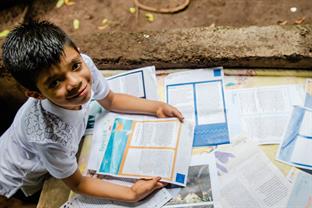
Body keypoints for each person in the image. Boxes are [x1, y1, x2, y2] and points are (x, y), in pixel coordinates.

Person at [0, 19, 184, 206]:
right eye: (55, 82)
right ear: (36, 94)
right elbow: (78, 183)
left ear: (79, 53)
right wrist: (131, 193)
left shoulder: (83, 64)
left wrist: (155, 107)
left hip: (43, 154)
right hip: (17, 175)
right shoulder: (49, 138)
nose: (74, 82)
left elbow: (110, 100)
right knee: (30, 199)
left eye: (75, 66)